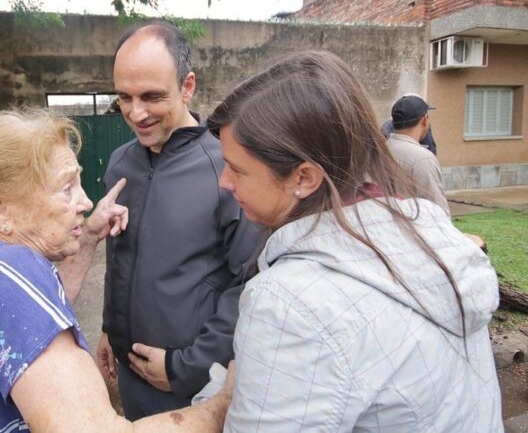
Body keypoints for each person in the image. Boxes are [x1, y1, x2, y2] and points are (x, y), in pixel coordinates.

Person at [207, 50, 502, 431]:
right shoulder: (430, 234)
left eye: (237, 169)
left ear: (303, 178)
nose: (224, 182)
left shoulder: (291, 305)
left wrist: (222, 399)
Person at [0, 110, 235, 432]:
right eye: (67, 188)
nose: (86, 202)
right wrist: (222, 403)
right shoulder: (11, 277)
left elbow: (25, 325)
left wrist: (88, 238)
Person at [96, 22, 261, 420]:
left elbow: (250, 285)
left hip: (194, 386)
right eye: (124, 98)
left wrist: (184, 367)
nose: (136, 113)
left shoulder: (227, 166)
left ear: (187, 86)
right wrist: (108, 327)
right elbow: (119, 257)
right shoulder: (120, 162)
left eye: (152, 96)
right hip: (131, 374)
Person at [385, 94, 450, 215]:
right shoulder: (422, 158)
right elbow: (438, 210)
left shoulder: (379, 150)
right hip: (412, 228)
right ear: (425, 120)